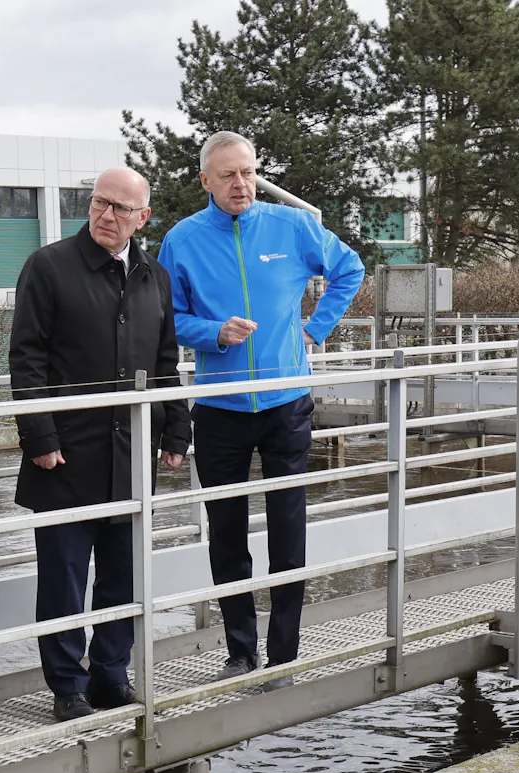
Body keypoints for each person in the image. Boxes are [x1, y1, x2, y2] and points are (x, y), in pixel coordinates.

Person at [156, 131, 365, 684]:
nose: (240, 183)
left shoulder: (292, 226)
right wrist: (213, 332)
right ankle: (240, 651)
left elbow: (350, 268)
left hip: (286, 402)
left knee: (286, 528)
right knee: (225, 534)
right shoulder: (182, 240)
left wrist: (317, 328)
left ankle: (284, 655)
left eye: (247, 172)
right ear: (205, 181)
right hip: (220, 407)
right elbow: (165, 318)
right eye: (226, 175)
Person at [7, 167, 189, 722]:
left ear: (143, 218)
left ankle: (111, 674)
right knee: (62, 578)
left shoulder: (153, 276)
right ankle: (67, 686)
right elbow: (26, 356)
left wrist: (177, 428)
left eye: (121, 208)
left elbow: (164, 361)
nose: (107, 216)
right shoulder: (49, 266)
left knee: (123, 573)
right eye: (99, 203)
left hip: (131, 453)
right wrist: (39, 434)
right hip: (64, 452)